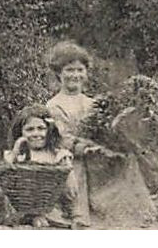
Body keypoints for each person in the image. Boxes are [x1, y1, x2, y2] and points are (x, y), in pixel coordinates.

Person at [0, 105, 78, 228]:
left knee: (43, 217)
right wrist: (17, 148)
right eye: (29, 129)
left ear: (49, 130)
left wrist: (66, 168)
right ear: (20, 132)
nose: (36, 134)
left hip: (49, 210)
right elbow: (7, 178)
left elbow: (71, 193)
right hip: (18, 206)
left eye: (41, 128)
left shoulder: (58, 155)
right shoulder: (18, 155)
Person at [44, 40, 99, 223]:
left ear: (86, 73)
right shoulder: (53, 105)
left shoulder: (93, 104)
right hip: (70, 159)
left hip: (96, 159)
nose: (75, 75)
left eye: (79, 70)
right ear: (59, 73)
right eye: (69, 70)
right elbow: (61, 139)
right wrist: (82, 147)